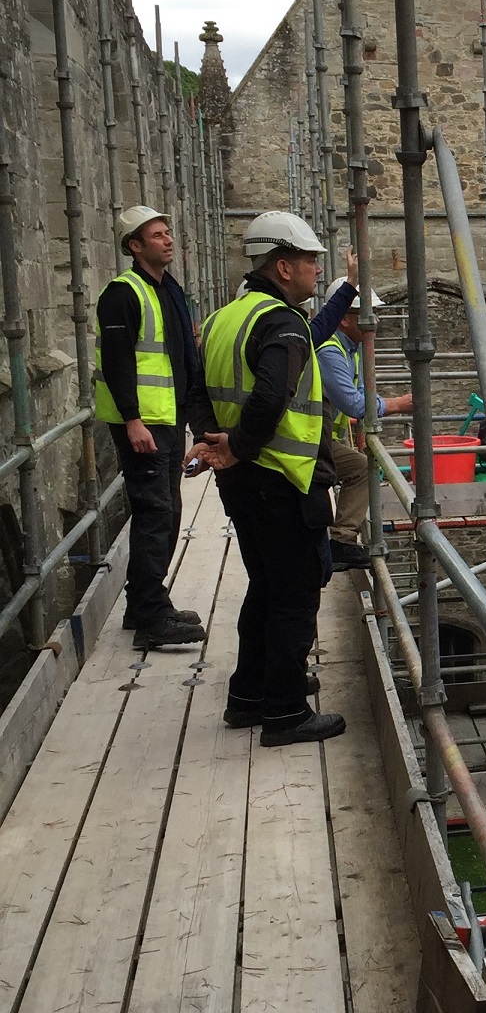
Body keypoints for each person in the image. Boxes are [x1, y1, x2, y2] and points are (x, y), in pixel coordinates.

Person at [192, 211, 346, 746]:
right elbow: (271, 394)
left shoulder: (223, 319)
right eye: (310, 260)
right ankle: (285, 713)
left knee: (265, 588)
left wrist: (216, 440)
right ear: (283, 266)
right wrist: (237, 445)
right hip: (282, 479)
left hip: (242, 483)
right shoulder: (281, 322)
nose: (316, 268)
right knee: (294, 596)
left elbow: (196, 388)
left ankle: (248, 697)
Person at [95, 206, 210, 651]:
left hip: (167, 419)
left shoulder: (170, 290)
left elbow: (185, 358)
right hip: (142, 423)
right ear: (135, 246)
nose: (168, 240)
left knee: (168, 511)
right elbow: (118, 361)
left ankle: (142, 604)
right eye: (156, 235)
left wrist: (196, 423)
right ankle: (151, 617)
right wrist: (132, 420)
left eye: (168, 232)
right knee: (154, 513)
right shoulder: (121, 294)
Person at [316, 277, 411, 572]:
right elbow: (355, 404)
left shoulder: (349, 348)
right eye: (366, 314)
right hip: (307, 440)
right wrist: (399, 404)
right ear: (344, 319)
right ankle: (342, 542)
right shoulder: (330, 351)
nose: (375, 320)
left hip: (319, 436)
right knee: (360, 467)